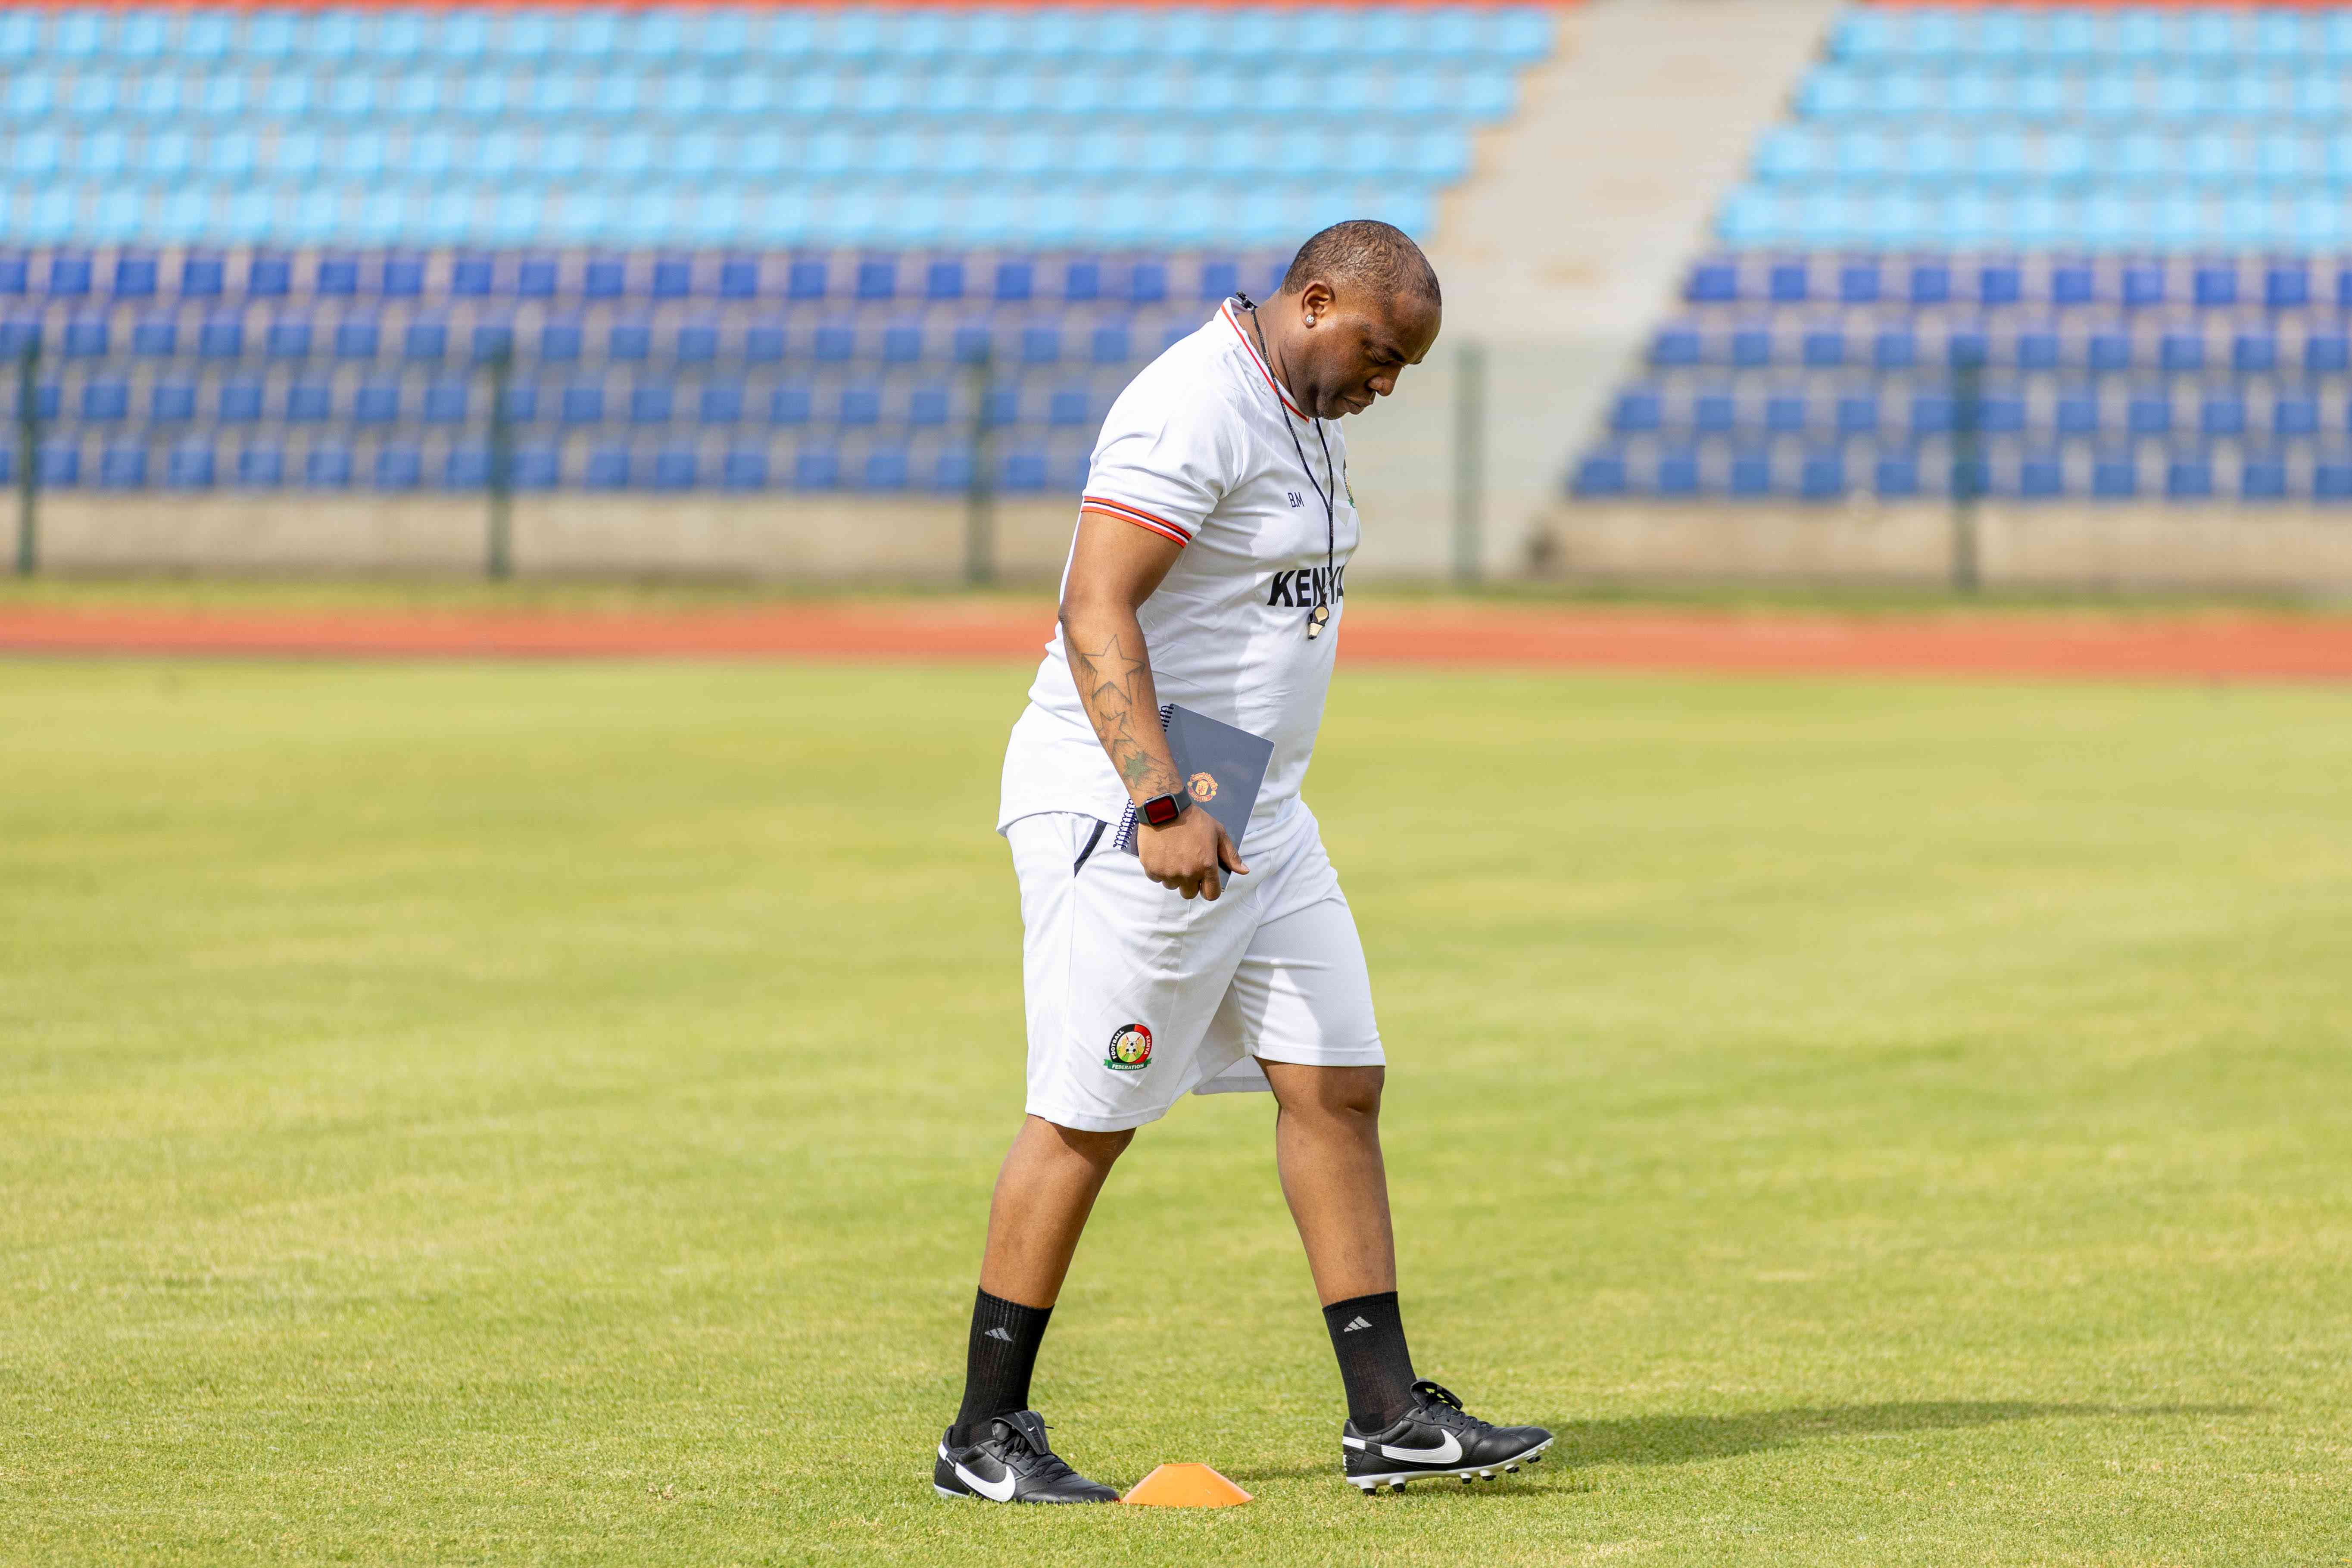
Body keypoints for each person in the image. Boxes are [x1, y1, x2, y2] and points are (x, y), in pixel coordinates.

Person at [934, 221, 1552, 1504]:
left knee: (1337, 1083)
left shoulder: (1301, 405)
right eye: (1379, 354)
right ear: (1314, 301)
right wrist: (1159, 799)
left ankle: (1387, 1416)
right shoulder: (1193, 406)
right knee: (1088, 1113)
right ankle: (982, 1435)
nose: (1386, 384)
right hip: (1141, 803)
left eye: (1405, 368)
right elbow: (1093, 603)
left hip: (1252, 800)